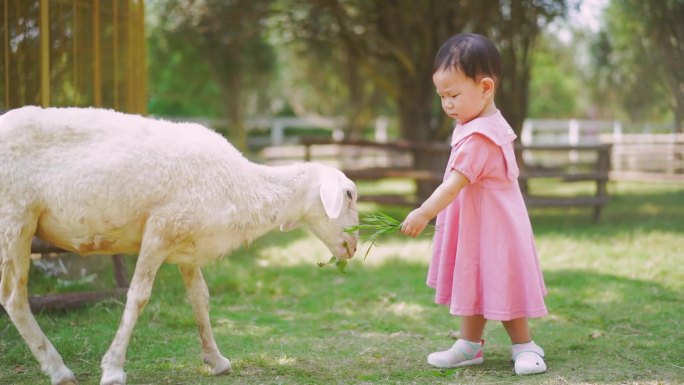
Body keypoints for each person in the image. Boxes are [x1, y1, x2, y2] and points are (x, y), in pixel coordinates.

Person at [399, 33, 548, 376]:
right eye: (442, 96)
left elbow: (452, 186)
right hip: (477, 227)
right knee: (474, 279)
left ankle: (524, 346)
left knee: (502, 281)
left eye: (453, 95)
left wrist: (424, 212)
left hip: (495, 229)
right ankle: (469, 344)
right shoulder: (478, 124)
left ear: (485, 87)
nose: (447, 104)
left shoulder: (480, 136)